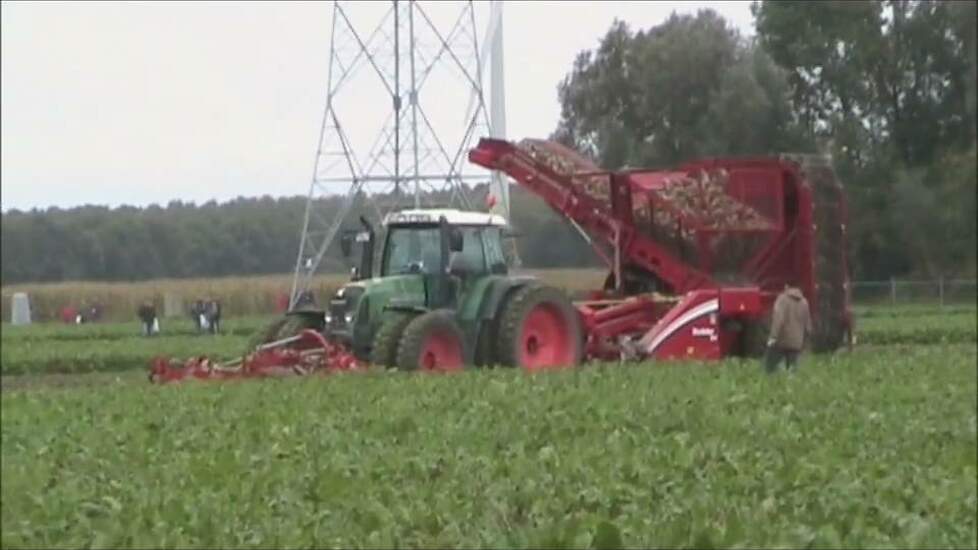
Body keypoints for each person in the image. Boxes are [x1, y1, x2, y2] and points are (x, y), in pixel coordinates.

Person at [764, 283, 812, 374]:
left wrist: (773, 337)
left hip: (781, 341)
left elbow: (778, 319)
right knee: (792, 369)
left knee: (769, 368)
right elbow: (808, 324)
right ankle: (791, 384)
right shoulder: (804, 302)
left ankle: (772, 383)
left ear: (787, 286)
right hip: (797, 342)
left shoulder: (782, 299)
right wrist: (805, 341)